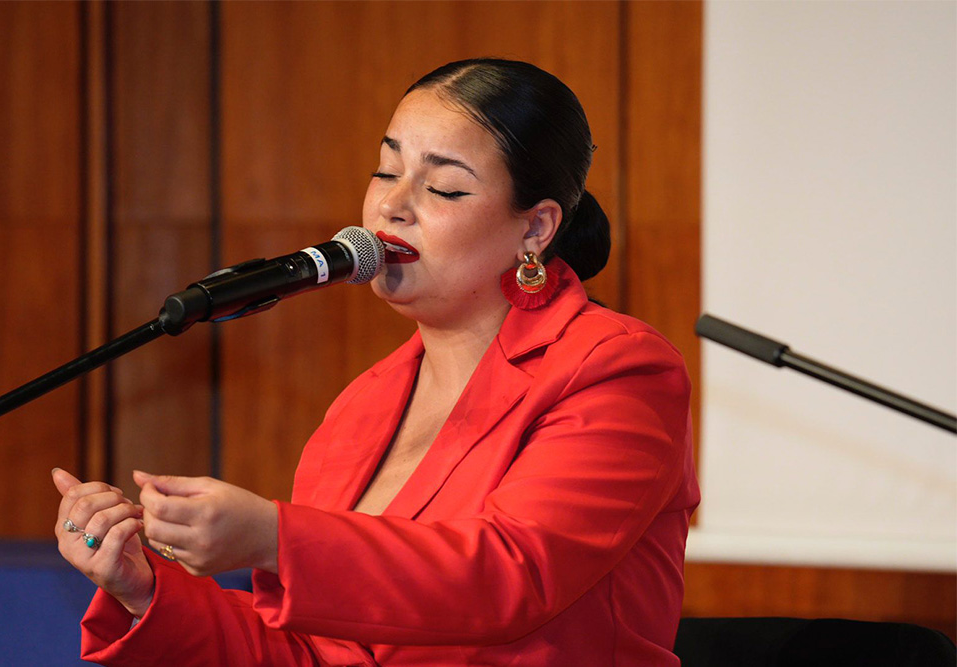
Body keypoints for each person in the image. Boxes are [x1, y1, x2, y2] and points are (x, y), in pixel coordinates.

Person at [53, 58, 700, 666]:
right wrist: (144, 590)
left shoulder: (617, 369)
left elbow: (511, 575)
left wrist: (273, 539)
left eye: (444, 186)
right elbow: (318, 652)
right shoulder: (365, 402)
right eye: (386, 172)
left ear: (535, 228)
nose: (392, 205)